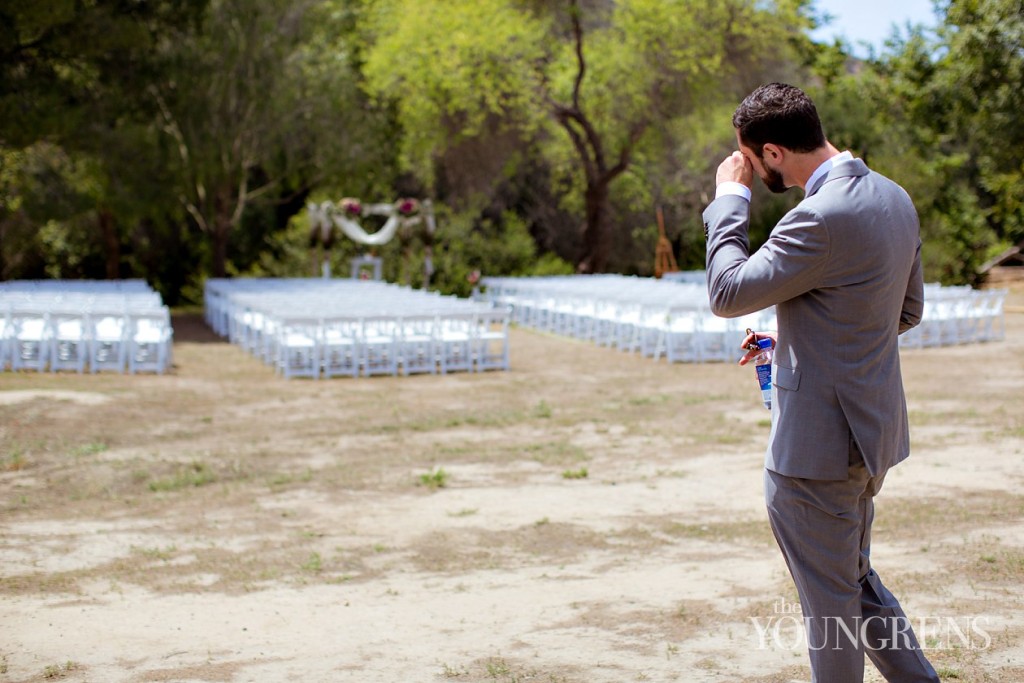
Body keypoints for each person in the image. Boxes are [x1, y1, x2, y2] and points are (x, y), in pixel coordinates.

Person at [702, 82, 939, 683]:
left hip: (815, 451)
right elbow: (902, 313)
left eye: (753, 161)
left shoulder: (817, 215)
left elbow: (727, 292)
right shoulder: (894, 197)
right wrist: (799, 344)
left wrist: (731, 197)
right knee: (851, 583)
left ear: (774, 152)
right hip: (869, 437)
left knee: (828, 607)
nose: (753, 171)